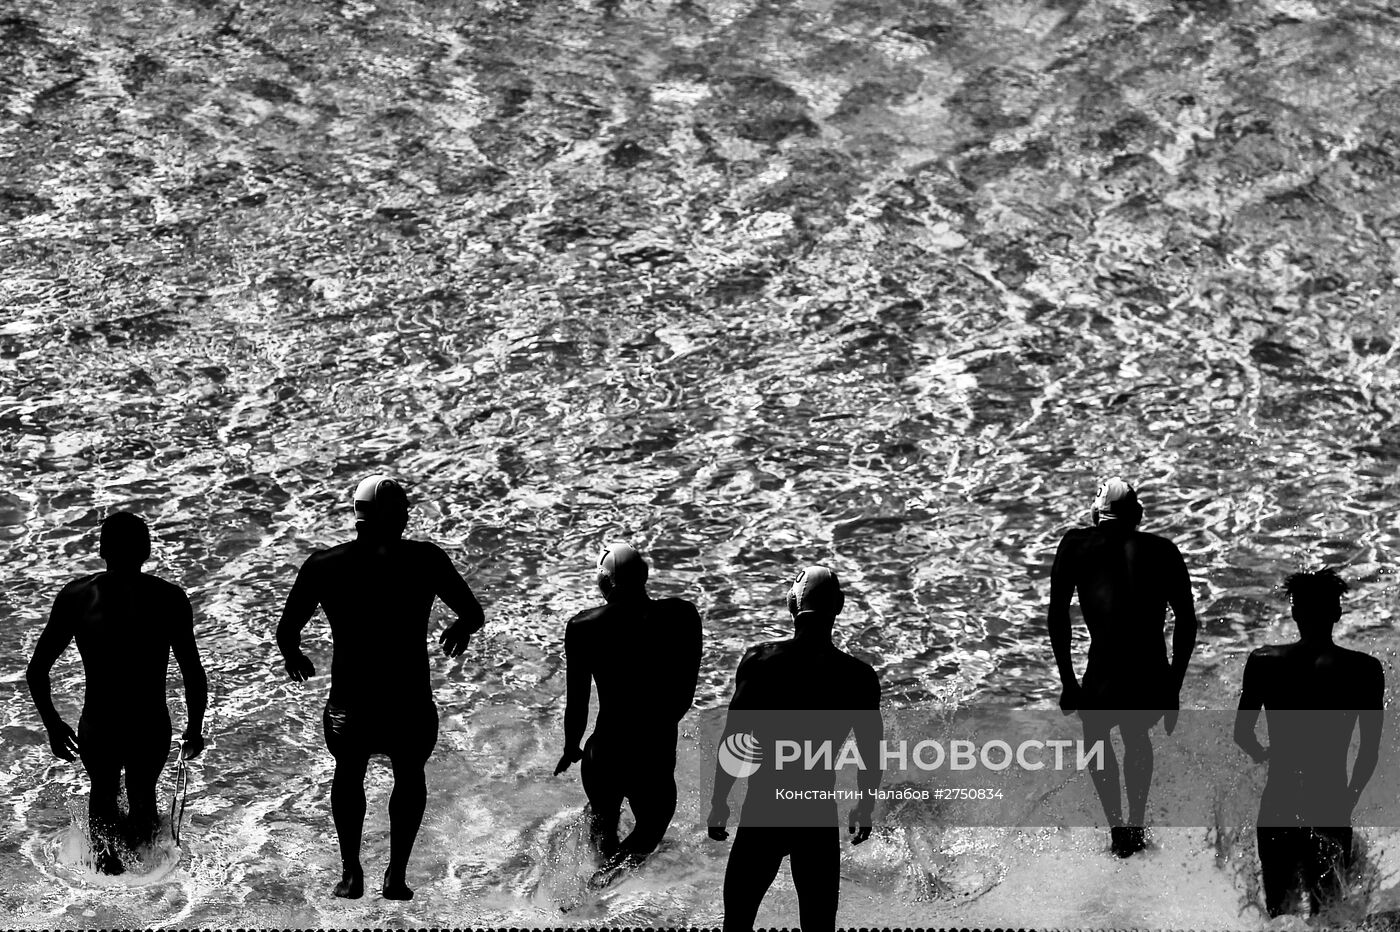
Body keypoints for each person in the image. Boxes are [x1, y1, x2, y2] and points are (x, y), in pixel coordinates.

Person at [275, 475, 485, 901]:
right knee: (409, 777)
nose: (408, 516)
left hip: (351, 702)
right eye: (403, 509)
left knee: (348, 774)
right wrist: (461, 628)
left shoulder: (324, 565)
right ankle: (396, 875)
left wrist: (294, 657)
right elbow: (473, 612)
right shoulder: (425, 560)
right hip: (407, 699)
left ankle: (351, 873)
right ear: (389, 513)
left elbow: (286, 631)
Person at [26, 511, 208, 874]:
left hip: (100, 722)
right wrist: (195, 728)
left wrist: (53, 723)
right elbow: (192, 672)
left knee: (103, 795)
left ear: (101, 549)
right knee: (143, 798)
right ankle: (147, 885)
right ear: (147, 550)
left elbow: (37, 671)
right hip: (149, 722)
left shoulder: (78, 596)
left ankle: (105, 881)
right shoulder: (168, 598)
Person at [708, 565, 882, 932]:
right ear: (840, 606)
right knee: (819, 930)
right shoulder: (858, 677)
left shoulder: (760, 663)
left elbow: (735, 739)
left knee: (737, 924)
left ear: (792, 604)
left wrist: (720, 801)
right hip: (815, 813)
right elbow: (871, 752)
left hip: (764, 808)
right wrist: (865, 806)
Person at [1047, 477, 1198, 857]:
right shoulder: (1163, 549)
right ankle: (1137, 821)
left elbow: (1057, 616)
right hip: (1149, 667)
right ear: (1138, 515)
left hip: (1105, 667)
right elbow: (1187, 620)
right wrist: (1173, 686)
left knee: (1097, 739)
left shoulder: (1076, 545)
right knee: (1136, 737)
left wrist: (1068, 680)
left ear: (1097, 514)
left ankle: (1118, 828)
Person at [1234, 568, 1384, 918]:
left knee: (1279, 916)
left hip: (1279, 800)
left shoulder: (1263, 661)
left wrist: (1264, 755)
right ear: (1337, 613)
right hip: (1330, 799)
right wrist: (1349, 798)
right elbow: (1369, 751)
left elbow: (1242, 734)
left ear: (1294, 612)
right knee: (1327, 916)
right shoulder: (1363, 669)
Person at [554, 542, 702, 884]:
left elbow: (576, 700)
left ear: (604, 584)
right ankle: (600, 887)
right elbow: (686, 690)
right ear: (645, 576)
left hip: (604, 749)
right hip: (653, 748)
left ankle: (598, 891)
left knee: (603, 822)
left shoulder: (584, 626)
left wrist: (571, 745)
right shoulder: (682, 615)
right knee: (650, 830)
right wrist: (660, 726)